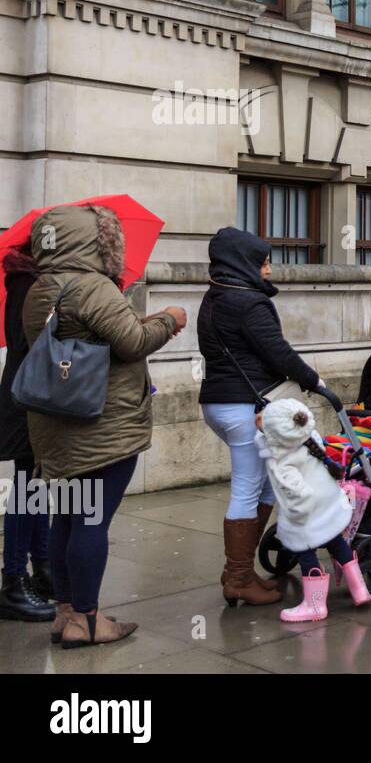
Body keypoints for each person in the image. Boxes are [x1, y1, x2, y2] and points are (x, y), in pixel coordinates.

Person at [23, 204, 186, 647]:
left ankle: (66, 613)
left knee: (68, 518)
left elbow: (84, 341)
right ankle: (88, 622)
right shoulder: (92, 287)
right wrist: (170, 319)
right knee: (92, 521)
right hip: (103, 425)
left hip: (57, 423)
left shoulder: (40, 287)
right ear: (99, 241)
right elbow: (132, 343)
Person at [198, 227, 323, 608]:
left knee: (268, 484)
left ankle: (240, 570)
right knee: (248, 488)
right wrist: (313, 380)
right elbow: (279, 353)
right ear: (244, 263)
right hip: (245, 407)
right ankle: (237, 579)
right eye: (263, 263)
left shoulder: (216, 297)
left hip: (221, 403)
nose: (267, 271)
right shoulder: (248, 302)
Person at [256, 399, 371, 621]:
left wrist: (295, 520)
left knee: (306, 555)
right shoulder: (311, 440)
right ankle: (360, 589)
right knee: (336, 542)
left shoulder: (281, 462)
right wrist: (266, 427)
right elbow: (277, 439)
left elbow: (297, 494)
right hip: (328, 505)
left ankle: (315, 604)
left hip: (307, 514)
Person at [0, 244, 54, 622]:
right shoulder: (28, 286)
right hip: (25, 403)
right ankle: (13, 581)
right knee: (26, 489)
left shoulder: (32, 283)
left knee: (36, 486)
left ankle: (43, 569)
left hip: (31, 399)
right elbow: (26, 344)